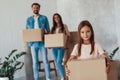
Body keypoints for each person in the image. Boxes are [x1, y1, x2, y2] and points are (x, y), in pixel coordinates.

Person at [26, 3, 51, 80]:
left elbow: (48, 30)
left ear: (39, 9)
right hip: (33, 43)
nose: (35, 9)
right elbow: (27, 32)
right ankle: (36, 78)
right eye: (34, 8)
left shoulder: (44, 18)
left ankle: (48, 78)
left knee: (45, 60)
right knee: (35, 62)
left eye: (37, 8)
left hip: (42, 43)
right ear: (32, 9)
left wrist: (47, 39)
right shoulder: (28, 19)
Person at [50, 13, 70, 80]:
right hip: (54, 47)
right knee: (57, 62)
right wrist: (49, 45)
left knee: (59, 61)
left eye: (57, 17)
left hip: (61, 47)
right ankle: (64, 76)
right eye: (55, 18)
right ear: (53, 19)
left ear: (60, 18)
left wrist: (65, 44)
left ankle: (63, 77)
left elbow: (68, 35)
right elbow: (50, 38)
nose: (56, 19)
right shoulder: (53, 28)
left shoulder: (64, 26)